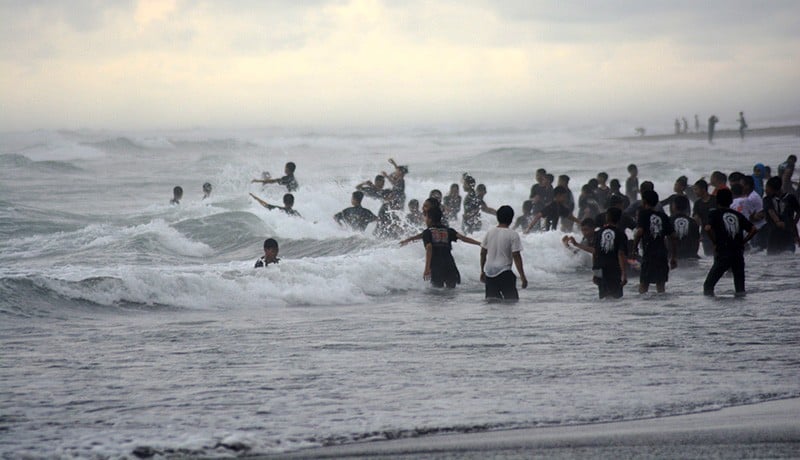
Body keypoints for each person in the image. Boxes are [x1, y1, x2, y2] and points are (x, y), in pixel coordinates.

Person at [703, 189, 757, 297]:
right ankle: (741, 308)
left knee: (708, 286)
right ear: (731, 201)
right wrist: (743, 241)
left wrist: (714, 242)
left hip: (723, 253)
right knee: (740, 288)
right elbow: (754, 229)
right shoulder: (738, 215)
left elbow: (708, 228)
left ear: (717, 201)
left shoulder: (714, 213)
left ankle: (710, 310)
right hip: (738, 253)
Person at [420, 206, 481, 288]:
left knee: (437, 291)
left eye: (426, 217)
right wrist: (479, 243)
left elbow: (429, 247)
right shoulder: (448, 230)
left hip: (436, 266)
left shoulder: (427, 232)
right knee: (451, 290)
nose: (425, 220)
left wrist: (427, 268)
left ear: (430, 219)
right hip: (450, 264)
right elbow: (463, 238)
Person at [633, 190, 677, 294]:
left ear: (644, 201)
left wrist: (634, 248)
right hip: (662, 254)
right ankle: (662, 308)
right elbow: (673, 236)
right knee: (661, 287)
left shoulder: (643, 214)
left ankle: (643, 307)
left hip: (649, 254)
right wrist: (674, 256)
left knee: (644, 285)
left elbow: (639, 232)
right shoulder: (663, 216)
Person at [481, 205, 528, 301]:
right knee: (511, 302)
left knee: (492, 302)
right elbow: (516, 256)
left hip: (489, 273)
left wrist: (482, 271)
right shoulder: (513, 234)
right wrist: (522, 276)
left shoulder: (490, 232)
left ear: (497, 217)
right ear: (511, 219)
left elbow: (483, 252)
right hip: (504, 272)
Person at [592, 207, 629, 299]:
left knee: (603, 297)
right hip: (614, 269)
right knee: (616, 297)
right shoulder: (621, 234)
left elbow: (595, 253)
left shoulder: (599, 233)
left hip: (600, 268)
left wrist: (595, 273)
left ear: (607, 217)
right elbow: (621, 254)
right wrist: (624, 273)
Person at [763, 176, 800, 254]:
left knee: (788, 258)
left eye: (767, 187)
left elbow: (798, 211)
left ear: (774, 189)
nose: (765, 190)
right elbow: (770, 210)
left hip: (788, 234)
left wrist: (793, 224)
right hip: (773, 235)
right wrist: (777, 222)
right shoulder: (767, 199)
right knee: (773, 260)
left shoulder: (790, 198)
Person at [692, 179, 717, 257]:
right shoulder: (697, 203)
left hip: (718, 233)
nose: (694, 191)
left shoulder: (715, 200)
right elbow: (696, 220)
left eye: (696, 189)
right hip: (705, 235)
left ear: (703, 189)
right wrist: (696, 235)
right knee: (708, 256)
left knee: (720, 255)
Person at [670, 195, 700, 260]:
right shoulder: (693, 222)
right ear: (687, 207)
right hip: (690, 256)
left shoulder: (668, 221)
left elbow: (664, 240)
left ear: (674, 206)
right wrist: (693, 254)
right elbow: (697, 241)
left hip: (673, 256)